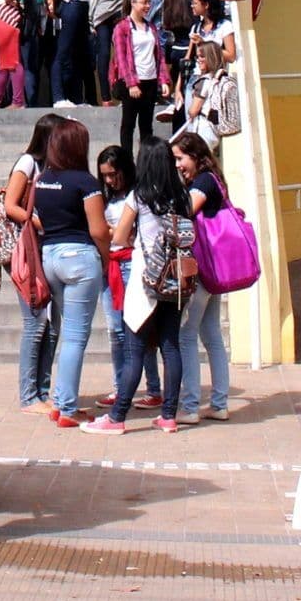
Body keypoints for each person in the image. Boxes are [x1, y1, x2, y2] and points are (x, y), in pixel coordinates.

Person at [86, 138, 195, 434]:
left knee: (135, 349)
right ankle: (169, 415)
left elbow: (118, 237)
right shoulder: (182, 195)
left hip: (146, 281)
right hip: (176, 281)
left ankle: (117, 416)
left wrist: (135, 237)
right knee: (170, 346)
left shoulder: (140, 196)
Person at [22, 116, 108, 426]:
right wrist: (108, 257)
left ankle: (60, 400)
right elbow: (98, 230)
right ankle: (67, 408)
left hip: (50, 257)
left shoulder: (42, 180)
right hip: (80, 257)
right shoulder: (85, 183)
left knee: (65, 331)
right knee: (75, 336)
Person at [1, 115, 60, 412]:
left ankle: (42, 390)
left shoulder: (52, 167)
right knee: (35, 322)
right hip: (25, 251)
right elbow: (10, 205)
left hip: (41, 249)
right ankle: (28, 396)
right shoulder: (27, 164)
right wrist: (36, 221)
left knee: (49, 325)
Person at [173, 133, 232, 422]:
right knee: (211, 335)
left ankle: (191, 406)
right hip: (214, 267)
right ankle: (219, 404)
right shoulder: (213, 179)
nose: (178, 165)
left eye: (180, 158)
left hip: (202, 268)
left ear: (195, 156)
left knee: (186, 334)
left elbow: (185, 211)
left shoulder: (204, 182)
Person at [94, 145, 141, 415]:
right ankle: (120, 385)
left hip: (130, 263)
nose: (110, 180)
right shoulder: (105, 197)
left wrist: (110, 231)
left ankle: (151, 388)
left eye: (113, 174)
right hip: (108, 265)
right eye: (105, 176)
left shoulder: (136, 195)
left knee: (134, 329)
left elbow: (130, 234)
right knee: (115, 331)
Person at [109, 0, 171, 155]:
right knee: (128, 125)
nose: (148, 6)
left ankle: (146, 161)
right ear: (133, 3)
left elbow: (159, 56)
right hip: (132, 82)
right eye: (144, 2)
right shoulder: (122, 28)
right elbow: (120, 59)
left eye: (149, 2)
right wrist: (131, 83)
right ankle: (127, 162)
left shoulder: (151, 27)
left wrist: (163, 80)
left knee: (146, 125)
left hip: (150, 80)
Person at [177, 40, 240, 151]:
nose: (198, 60)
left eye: (202, 57)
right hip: (214, 130)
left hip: (202, 130)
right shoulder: (221, 76)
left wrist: (189, 110)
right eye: (197, 57)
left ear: (210, 57)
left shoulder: (203, 81)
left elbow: (193, 110)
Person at [188, 0, 240, 68]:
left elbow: (231, 56)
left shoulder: (225, 26)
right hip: (197, 75)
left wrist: (204, 44)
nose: (192, 6)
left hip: (216, 75)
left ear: (206, 5)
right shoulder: (196, 28)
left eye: (195, 3)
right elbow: (188, 56)